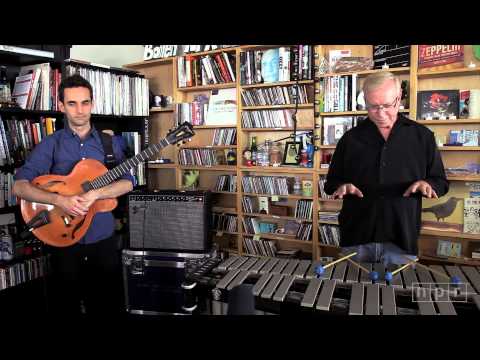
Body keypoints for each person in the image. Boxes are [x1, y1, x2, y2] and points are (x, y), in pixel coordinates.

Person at [13, 74, 134, 314]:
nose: (80, 110)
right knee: (64, 305)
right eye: (72, 103)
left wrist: (96, 194)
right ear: (61, 106)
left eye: (85, 103)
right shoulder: (51, 144)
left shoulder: (110, 143)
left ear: (92, 103)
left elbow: (128, 183)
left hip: (103, 238)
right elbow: (19, 186)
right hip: (63, 239)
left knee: (107, 305)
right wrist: (59, 199)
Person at [324, 72, 449, 266]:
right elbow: (331, 183)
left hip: (401, 238)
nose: (380, 113)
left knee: (398, 295)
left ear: (398, 98)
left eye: (387, 105)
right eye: (373, 107)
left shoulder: (422, 137)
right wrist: (342, 186)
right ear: (365, 101)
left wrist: (427, 184)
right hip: (357, 236)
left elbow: (440, 182)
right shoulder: (350, 139)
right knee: (353, 293)